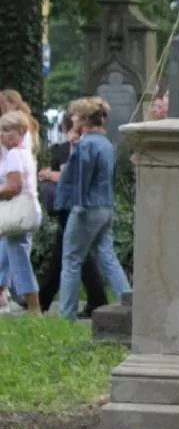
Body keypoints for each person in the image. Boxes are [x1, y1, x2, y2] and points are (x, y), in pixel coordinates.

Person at [57, 97, 131, 320]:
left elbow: (80, 178)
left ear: (84, 119)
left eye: (76, 116)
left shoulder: (86, 144)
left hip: (86, 207)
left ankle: (66, 315)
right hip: (105, 205)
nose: (73, 119)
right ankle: (128, 303)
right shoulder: (106, 144)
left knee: (71, 260)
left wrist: (77, 205)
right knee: (108, 257)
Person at [37, 116, 107, 316]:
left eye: (77, 130)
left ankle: (44, 300)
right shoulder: (61, 150)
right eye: (71, 130)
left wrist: (51, 175)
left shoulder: (89, 148)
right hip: (67, 206)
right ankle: (95, 299)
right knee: (68, 254)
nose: (74, 135)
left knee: (73, 254)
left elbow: (75, 178)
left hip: (79, 206)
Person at [0, 113, 41, 314]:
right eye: (2, 130)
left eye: (8, 130)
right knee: (6, 257)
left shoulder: (15, 154)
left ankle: (34, 308)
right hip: (26, 210)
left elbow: (14, 187)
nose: (3, 134)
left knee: (19, 261)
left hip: (17, 211)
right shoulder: (25, 152)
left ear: (21, 132)